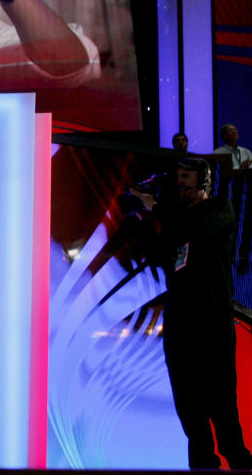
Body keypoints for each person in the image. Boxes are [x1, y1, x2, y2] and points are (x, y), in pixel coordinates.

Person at [133, 157, 252, 469]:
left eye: (186, 177)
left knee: (221, 397)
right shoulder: (175, 219)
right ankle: (202, 461)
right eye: (179, 177)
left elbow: (196, 232)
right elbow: (159, 255)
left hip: (212, 319)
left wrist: (159, 208)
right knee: (186, 398)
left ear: (203, 181)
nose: (181, 183)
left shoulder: (219, 209)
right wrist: (146, 216)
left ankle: (238, 458)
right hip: (180, 320)